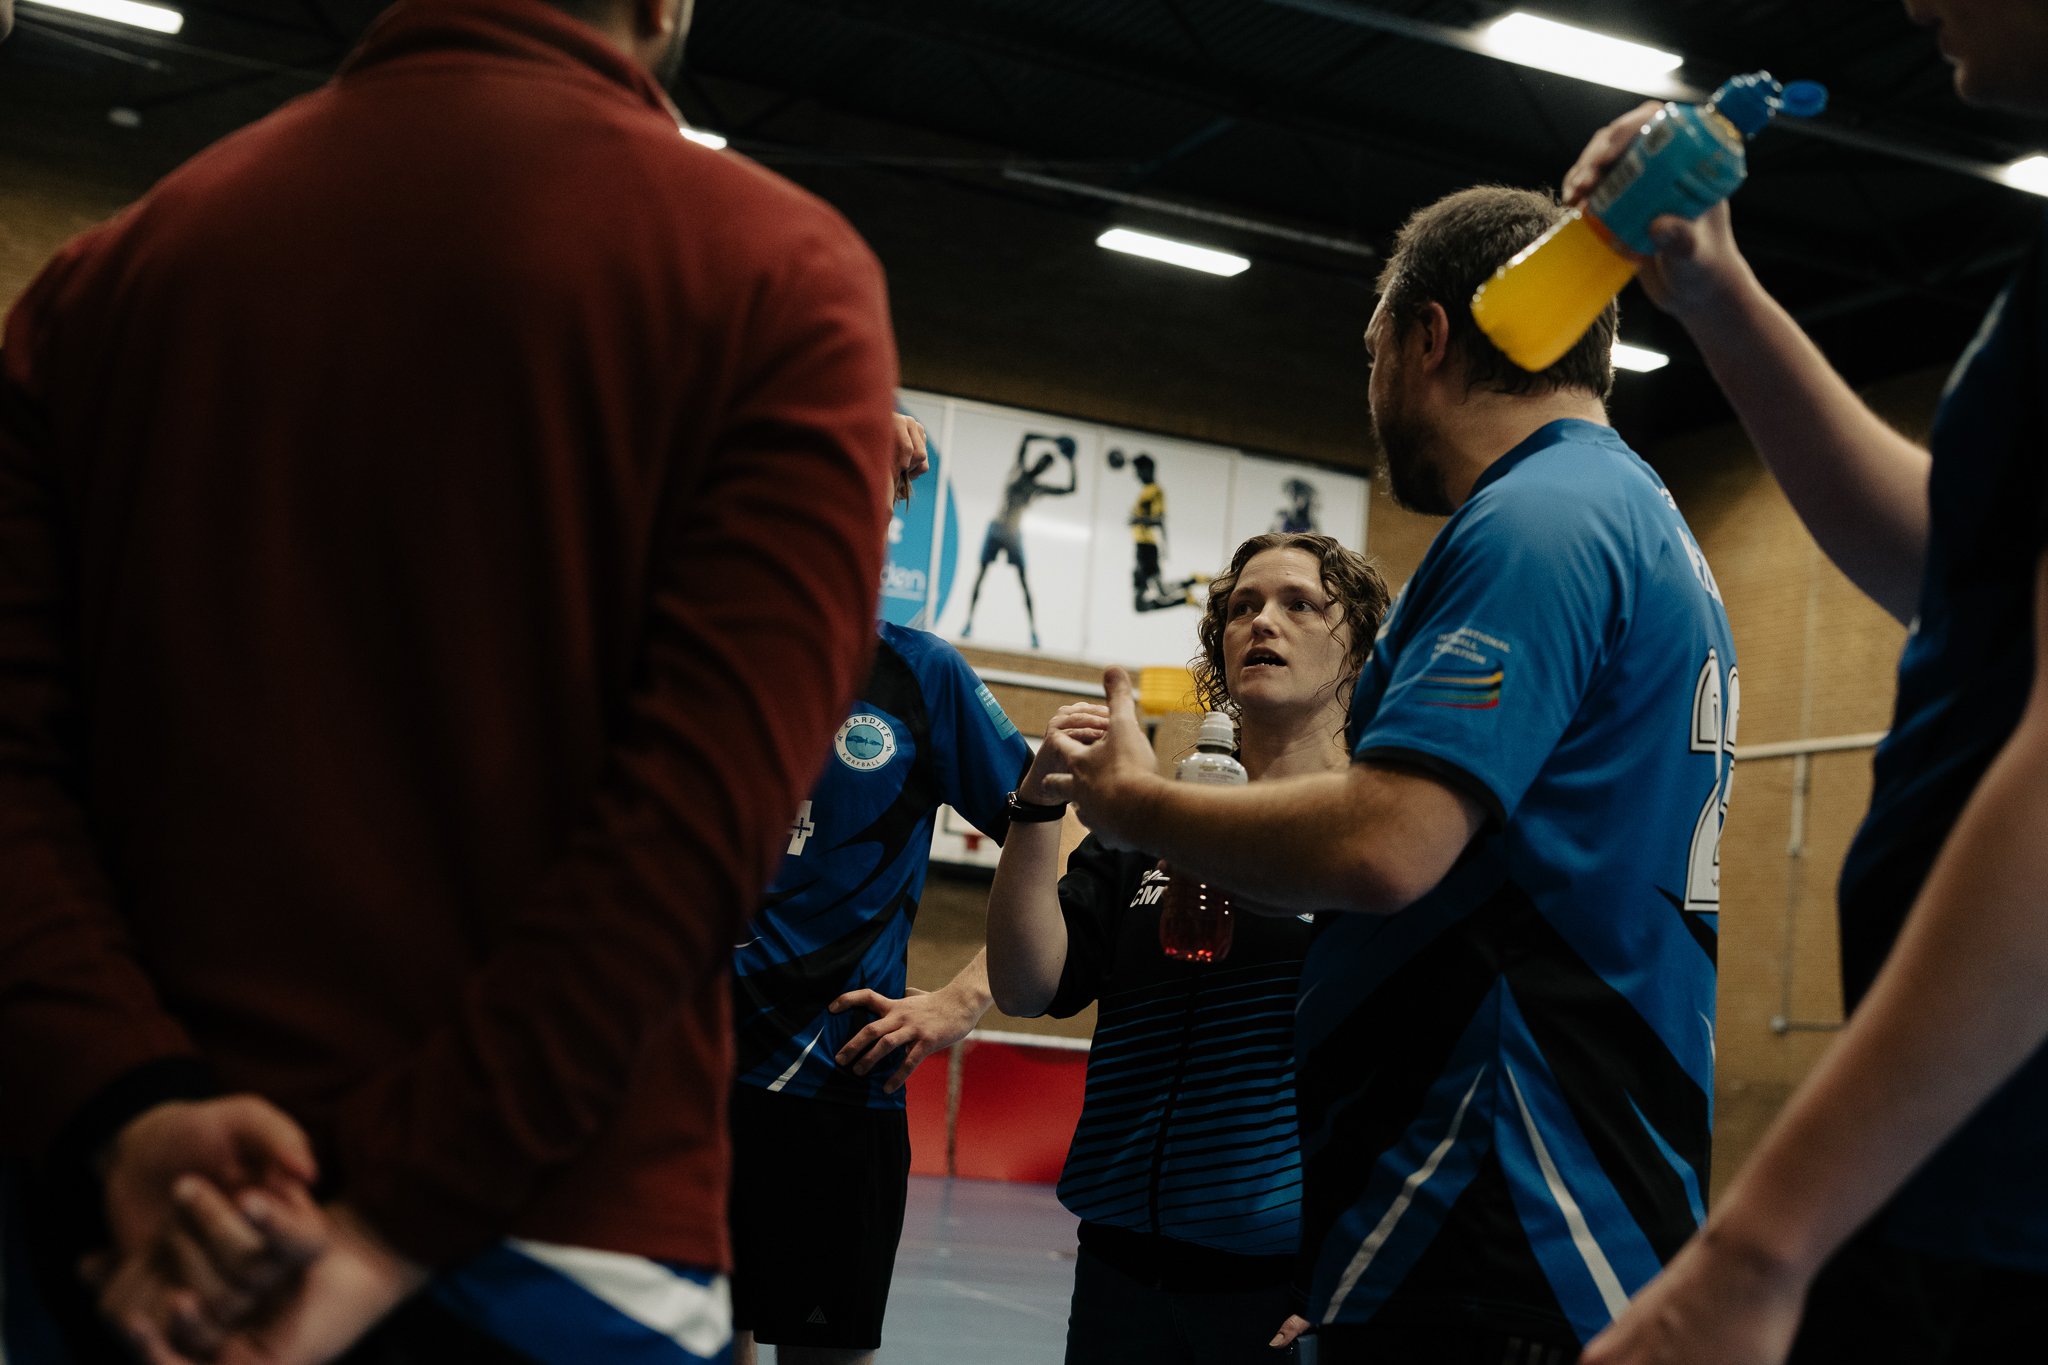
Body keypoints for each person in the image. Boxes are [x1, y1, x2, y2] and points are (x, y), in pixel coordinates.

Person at [0, 0, 901, 1360]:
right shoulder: (780, 275)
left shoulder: (95, 289)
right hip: (553, 1238)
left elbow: (8, 782)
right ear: (664, 4)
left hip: (151, 1251)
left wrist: (126, 1102)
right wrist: (384, 1223)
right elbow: (695, 832)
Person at [1055, 186, 1738, 1364]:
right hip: (1530, 1179)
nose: (1370, 396)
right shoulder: (1636, 516)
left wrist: (1130, 803)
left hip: (1493, 1179)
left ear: (1426, 338)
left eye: (1371, 353)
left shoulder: (1536, 522)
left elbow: (1386, 843)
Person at [1567, 7, 2048, 1363]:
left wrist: (1759, 1243)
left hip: (2001, 1199)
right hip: (1961, 1176)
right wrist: (1717, 295)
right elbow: (1954, 559)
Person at [985, 531, 1390, 1365]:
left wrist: (1351, 1273)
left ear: (1356, 641)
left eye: (1297, 603)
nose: (1260, 622)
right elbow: (1027, 985)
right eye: (1242, 607)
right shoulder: (1153, 823)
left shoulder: (1377, 837)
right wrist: (1036, 811)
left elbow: (1410, 1074)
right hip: (1118, 1270)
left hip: (1277, 1288)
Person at [729, 487, 1032, 1365]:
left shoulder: (923, 675)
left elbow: (1065, 839)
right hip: (683, 1079)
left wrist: (964, 997)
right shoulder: (708, 669)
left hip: (836, 1090)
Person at [961, 432, 1078, 649]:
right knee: (981, 576)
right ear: (1037, 460)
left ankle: (1033, 632)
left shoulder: (1037, 488)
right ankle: (968, 622)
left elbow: (1071, 489)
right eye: (1042, 461)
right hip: (996, 528)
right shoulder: (1018, 470)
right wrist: (1051, 440)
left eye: (1046, 466)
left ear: (1046, 470)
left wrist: (1071, 462)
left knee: (1023, 582)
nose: (1042, 466)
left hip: (1013, 533)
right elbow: (1025, 438)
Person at [1129, 453, 1205, 613]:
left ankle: (1188, 593)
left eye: (1138, 470)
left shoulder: (1155, 491)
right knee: (1144, 601)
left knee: (1143, 603)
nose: (1136, 474)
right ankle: (1190, 585)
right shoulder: (1146, 491)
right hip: (1141, 547)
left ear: (1147, 469)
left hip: (1147, 546)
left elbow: (1158, 519)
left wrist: (1138, 520)